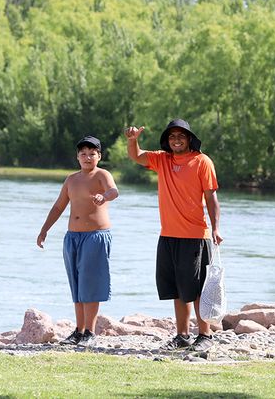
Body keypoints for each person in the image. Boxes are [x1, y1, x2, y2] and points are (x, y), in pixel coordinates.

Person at [125, 119, 223, 352]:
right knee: (177, 289)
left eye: (181, 135)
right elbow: (136, 156)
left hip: (195, 236)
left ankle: (205, 334)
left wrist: (217, 228)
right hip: (168, 235)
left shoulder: (202, 161)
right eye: (172, 136)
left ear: (189, 138)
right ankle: (182, 335)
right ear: (167, 141)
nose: (176, 140)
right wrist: (132, 140)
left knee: (197, 289)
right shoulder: (162, 159)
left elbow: (211, 198)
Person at [37, 136, 119, 347]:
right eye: (83, 153)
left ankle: (90, 332)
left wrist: (104, 197)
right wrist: (44, 230)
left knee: (90, 283)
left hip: (95, 236)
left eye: (92, 153)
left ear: (99, 156)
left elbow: (113, 190)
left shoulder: (102, 174)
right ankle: (79, 330)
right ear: (77, 157)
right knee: (77, 284)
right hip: (72, 237)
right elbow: (58, 207)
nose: (87, 157)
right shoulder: (71, 180)